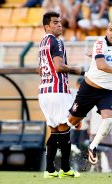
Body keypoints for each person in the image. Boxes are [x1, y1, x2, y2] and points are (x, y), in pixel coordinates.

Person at [67, 21, 112, 165]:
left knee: (110, 119)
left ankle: (92, 147)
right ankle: (59, 140)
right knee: (71, 121)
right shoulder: (100, 43)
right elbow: (101, 65)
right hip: (89, 89)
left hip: (108, 90)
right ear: (106, 31)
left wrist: (95, 55)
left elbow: (105, 57)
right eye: (110, 30)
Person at [38, 11, 82, 178]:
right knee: (64, 129)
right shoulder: (56, 42)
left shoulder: (42, 43)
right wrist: (76, 69)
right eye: (55, 22)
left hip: (44, 92)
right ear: (47, 26)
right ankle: (65, 169)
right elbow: (58, 67)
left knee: (55, 131)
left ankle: (49, 170)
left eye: (60, 22)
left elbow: (41, 69)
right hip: (57, 91)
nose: (59, 25)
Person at [87, 106, 112, 172]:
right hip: (94, 130)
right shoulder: (91, 101)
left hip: (105, 130)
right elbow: (88, 117)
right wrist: (89, 127)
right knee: (94, 150)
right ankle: (97, 168)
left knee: (109, 149)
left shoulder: (108, 100)